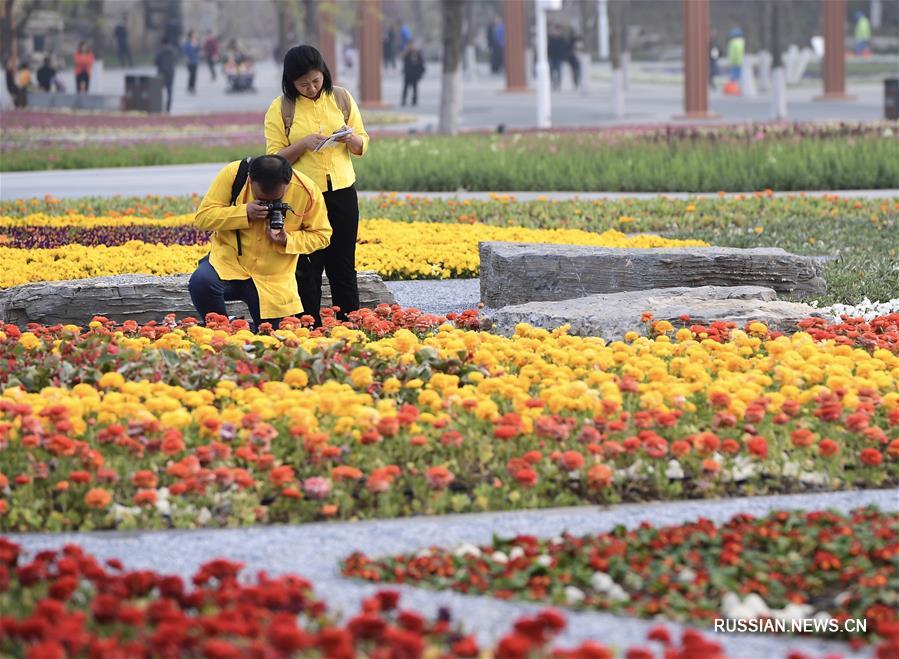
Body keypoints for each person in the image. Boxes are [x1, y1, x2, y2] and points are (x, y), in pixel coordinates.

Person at [264, 45, 370, 327]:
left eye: (316, 80)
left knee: (343, 266)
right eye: (303, 84)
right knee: (307, 268)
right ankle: (309, 328)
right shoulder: (281, 108)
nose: (311, 88)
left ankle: (349, 325)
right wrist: (302, 144)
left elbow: (362, 142)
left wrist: (351, 139)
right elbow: (273, 158)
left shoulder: (341, 98)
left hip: (342, 192)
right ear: (290, 82)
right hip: (303, 198)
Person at [189, 154, 332, 331]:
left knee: (271, 340)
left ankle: (242, 329)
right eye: (262, 199)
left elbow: (322, 236)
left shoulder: (307, 190)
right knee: (201, 282)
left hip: (272, 281)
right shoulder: (235, 175)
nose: (268, 204)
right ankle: (221, 331)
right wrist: (244, 212)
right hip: (229, 266)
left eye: (274, 200)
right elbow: (203, 219)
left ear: (288, 183)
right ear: (250, 179)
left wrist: (287, 239)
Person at [155, 38, 178, 112]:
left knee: (159, 92)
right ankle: (168, 109)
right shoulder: (173, 51)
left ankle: (159, 107)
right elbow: (175, 61)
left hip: (161, 74)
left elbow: (156, 62)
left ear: (162, 44)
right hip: (170, 74)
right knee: (169, 93)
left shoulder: (160, 52)